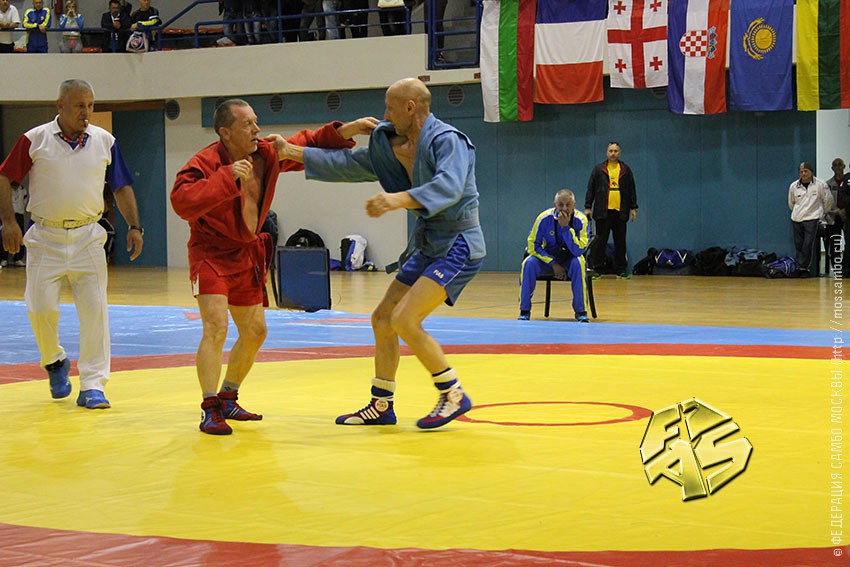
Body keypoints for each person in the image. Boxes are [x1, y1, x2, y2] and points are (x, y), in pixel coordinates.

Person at [281, 77, 485, 430]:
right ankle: (381, 404)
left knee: (405, 319)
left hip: (458, 243)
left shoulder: (448, 141)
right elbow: (348, 164)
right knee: (382, 319)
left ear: (410, 107)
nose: (385, 115)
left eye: (390, 107)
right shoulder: (391, 145)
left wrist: (396, 199)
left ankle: (453, 393)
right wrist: (290, 152)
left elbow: (449, 187)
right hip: (429, 244)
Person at [170, 99, 365, 435]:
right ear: (225, 132)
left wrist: (350, 129)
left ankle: (228, 396)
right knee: (216, 327)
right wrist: (226, 177)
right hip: (210, 253)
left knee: (256, 332)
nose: (256, 129)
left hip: (245, 254)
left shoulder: (265, 153)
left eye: (256, 122)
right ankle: (209, 406)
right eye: (248, 124)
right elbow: (181, 201)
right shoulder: (204, 162)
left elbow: (306, 142)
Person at [0, 79, 144, 409]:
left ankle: (93, 384)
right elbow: (5, 176)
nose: (86, 112)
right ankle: (54, 361)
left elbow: (121, 187)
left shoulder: (105, 141)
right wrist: (8, 222)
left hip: (88, 238)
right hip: (45, 238)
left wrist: (135, 227)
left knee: (95, 313)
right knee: (40, 309)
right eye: (80, 105)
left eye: (90, 105)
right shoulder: (34, 139)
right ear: (60, 105)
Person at [518, 189, 590, 322]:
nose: (564, 208)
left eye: (568, 204)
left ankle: (581, 311)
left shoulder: (581, 220)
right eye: (561, 205)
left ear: (574, 205)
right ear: (555, 205)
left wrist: (566, 228)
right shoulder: (543, 219)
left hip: (570, 259)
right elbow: (533, 246)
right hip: (548, 259)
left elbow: (579, 250)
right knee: (528, 263)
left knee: (579, 262)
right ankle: (524, 310)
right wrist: (553, 263)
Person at [584, 141, 638, 279]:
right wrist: (588, 207)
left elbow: (631, 189)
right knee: (600, 242)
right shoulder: (599, 170)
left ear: (620, 153)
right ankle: (597, 269)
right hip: (603, 212)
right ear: (607, 152)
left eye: (615, 151)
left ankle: (621, 269)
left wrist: (633, 207)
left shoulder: (625, 170)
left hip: (620, 212)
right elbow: (591, 188)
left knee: (620, 241)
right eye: (611, 151)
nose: (613, 153)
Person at [789, 162, 833, 277]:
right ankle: (800, 267)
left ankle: (805, 268)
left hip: (812, 218)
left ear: (811, 172)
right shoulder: (794, 186)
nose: (803, 174)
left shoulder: (820, 184)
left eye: (806, 171)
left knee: (807, 244)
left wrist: (821, 213)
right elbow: (791, 203)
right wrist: (797, 212)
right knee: (798, 244)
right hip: (797, 218)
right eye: (801, 172)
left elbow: (828, 201)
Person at [823, 157, 846, 276]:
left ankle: (847, 268)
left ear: (844, 167)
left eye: (840, 164)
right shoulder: (827, 184)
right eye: (835, 165)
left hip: (847, 217)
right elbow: (826, 203)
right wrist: (837, 211)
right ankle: (838, 269)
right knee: (834, 244)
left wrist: (845, 211)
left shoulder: (848, 182)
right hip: (833, 217)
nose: (838, 167)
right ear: (832, 168)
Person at [0, 181, 28, 267]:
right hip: (8, 215)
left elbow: (25, 201)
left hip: (20, 214)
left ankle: (18, 258)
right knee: (4, 236)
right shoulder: (6, 188)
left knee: (21, 236)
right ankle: (4, 258)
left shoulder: (23, 190)